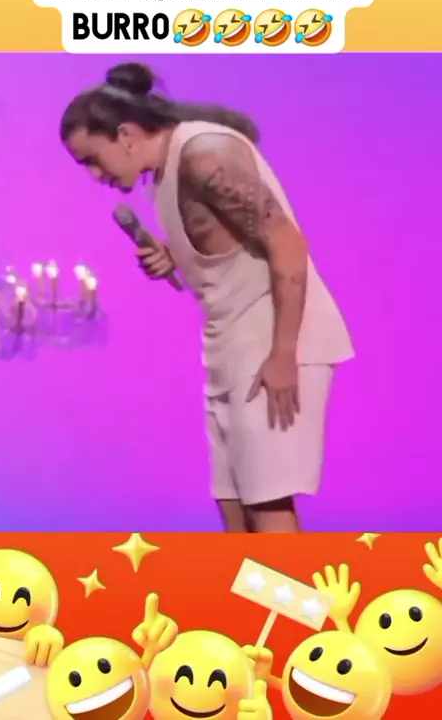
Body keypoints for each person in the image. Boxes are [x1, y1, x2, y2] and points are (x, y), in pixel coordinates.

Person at [60, 62, 355, 533]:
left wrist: (284, 354)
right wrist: (173, 256)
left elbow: (287, 245)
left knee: (267, 505)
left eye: (92, 159)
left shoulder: (204, 155)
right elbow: (227, 244)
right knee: (234, 511)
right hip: (229, 347)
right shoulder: (164, 173)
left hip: (274, 339)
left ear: (125, 134)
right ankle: (248, 589)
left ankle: (295, 590)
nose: (95, 176)